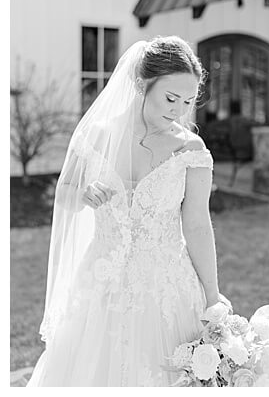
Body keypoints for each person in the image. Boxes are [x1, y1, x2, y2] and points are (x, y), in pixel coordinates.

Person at [29, 36, 230, 386]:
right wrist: (84, 194)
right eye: (170, 98)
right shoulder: (96, 135)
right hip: (101, 282)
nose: (179, 110)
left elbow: (197, 224)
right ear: (142, 83)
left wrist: (212, 298)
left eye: (187, 100)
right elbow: (64, 194)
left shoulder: (191, 150)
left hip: (167, 287)